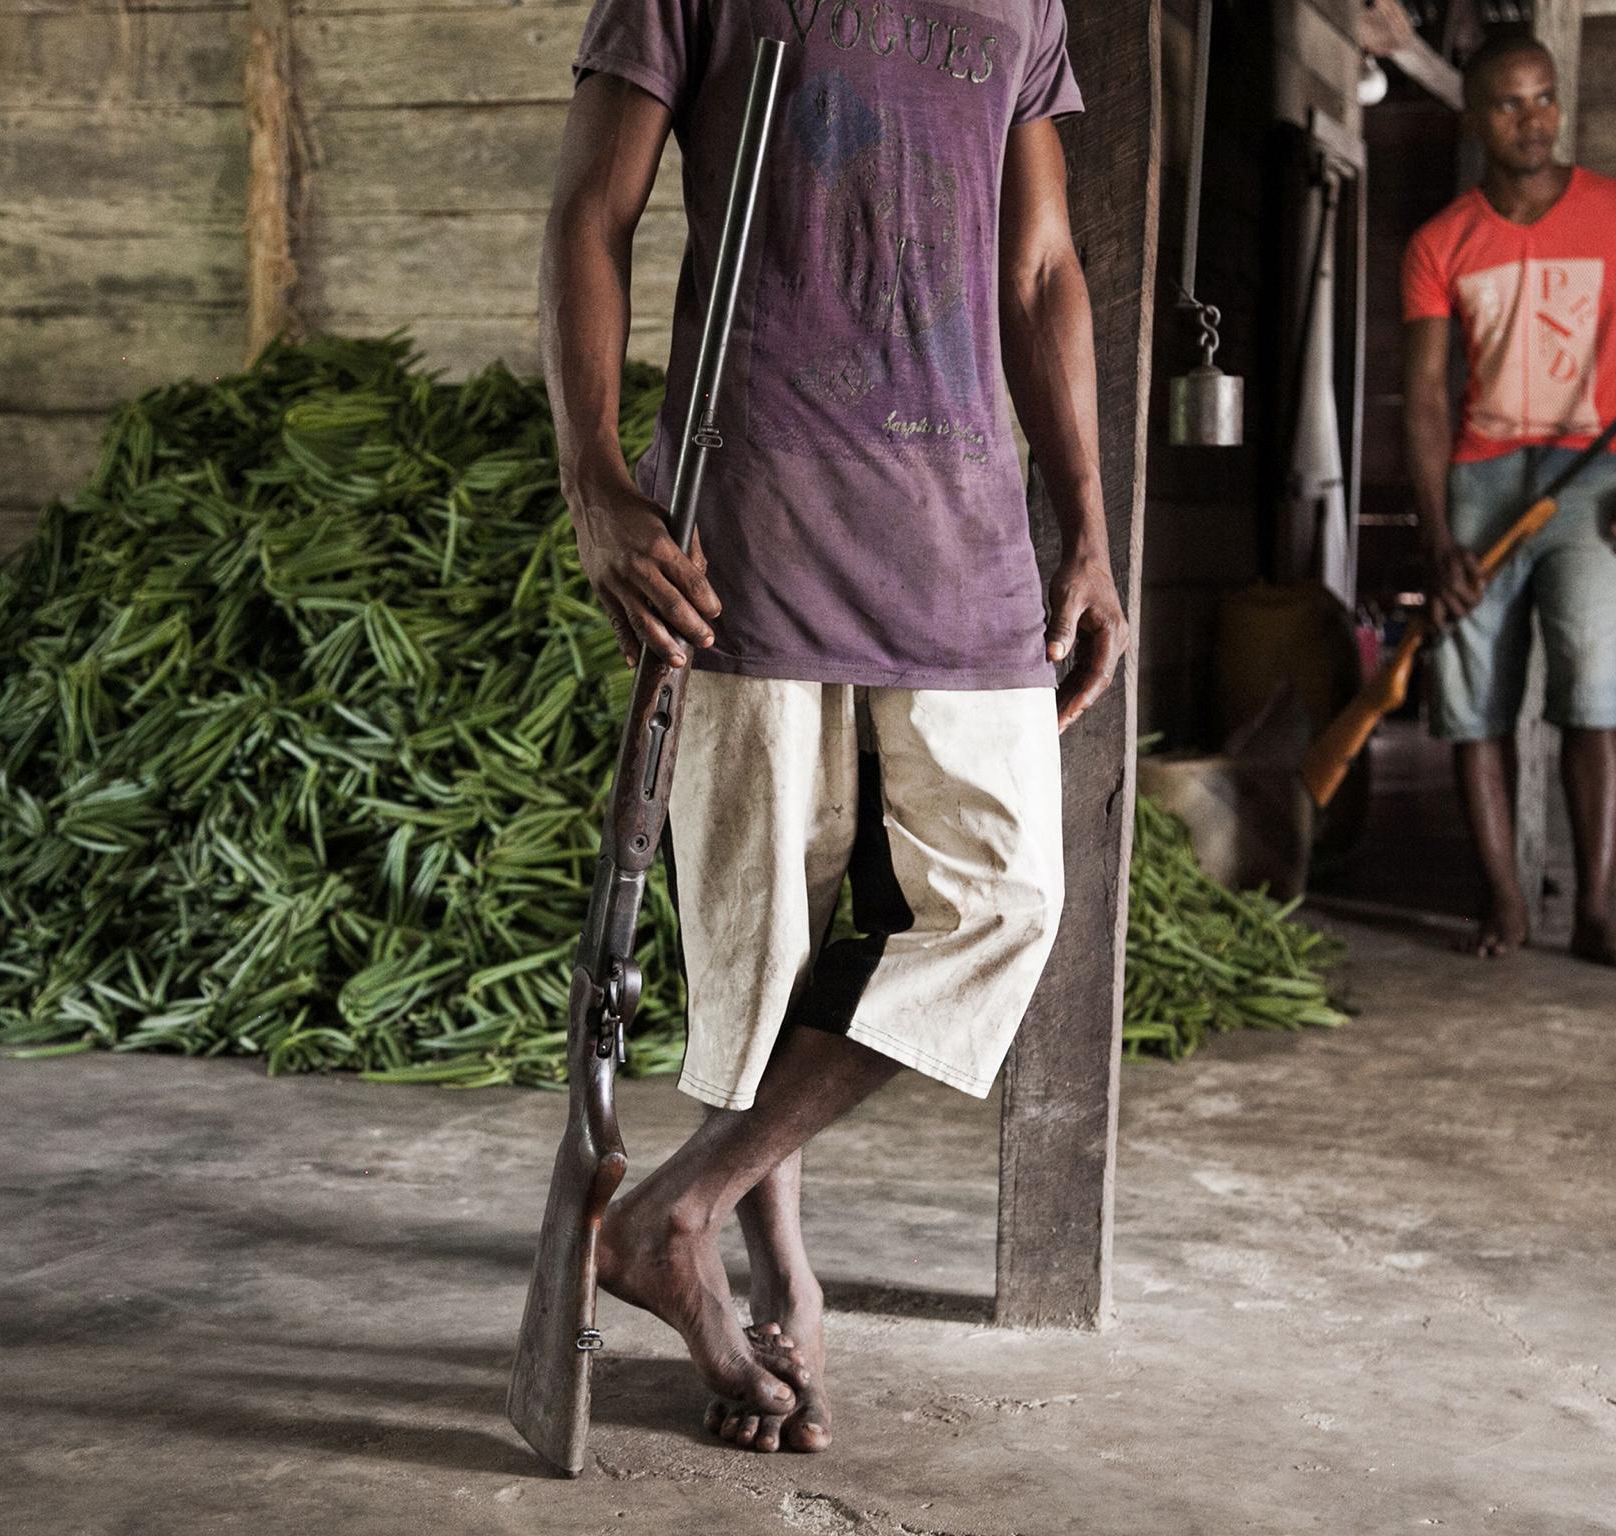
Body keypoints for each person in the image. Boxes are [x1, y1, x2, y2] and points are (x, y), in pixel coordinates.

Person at [539, 0, 1126, 1455]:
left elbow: (1042, 264)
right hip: (750, 521)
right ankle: (765, 1258)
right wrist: (597, 483)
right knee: (766, 932)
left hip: (965, 528)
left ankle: (683, 1206)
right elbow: (589, 215)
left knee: (1004, 903)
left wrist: (1091, 529)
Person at [1402, 31, 1616, 969]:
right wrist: (1437, 533)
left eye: (1545, 99)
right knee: (1471, 698)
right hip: (1481, 481)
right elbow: (1429, 395)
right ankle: (1505, 902)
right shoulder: (1440, 243)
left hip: (1593, 478)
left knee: (1590, 683)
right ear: (1475, 117)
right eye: (1512, 104)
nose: (1536, 120)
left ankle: (1595, 910)